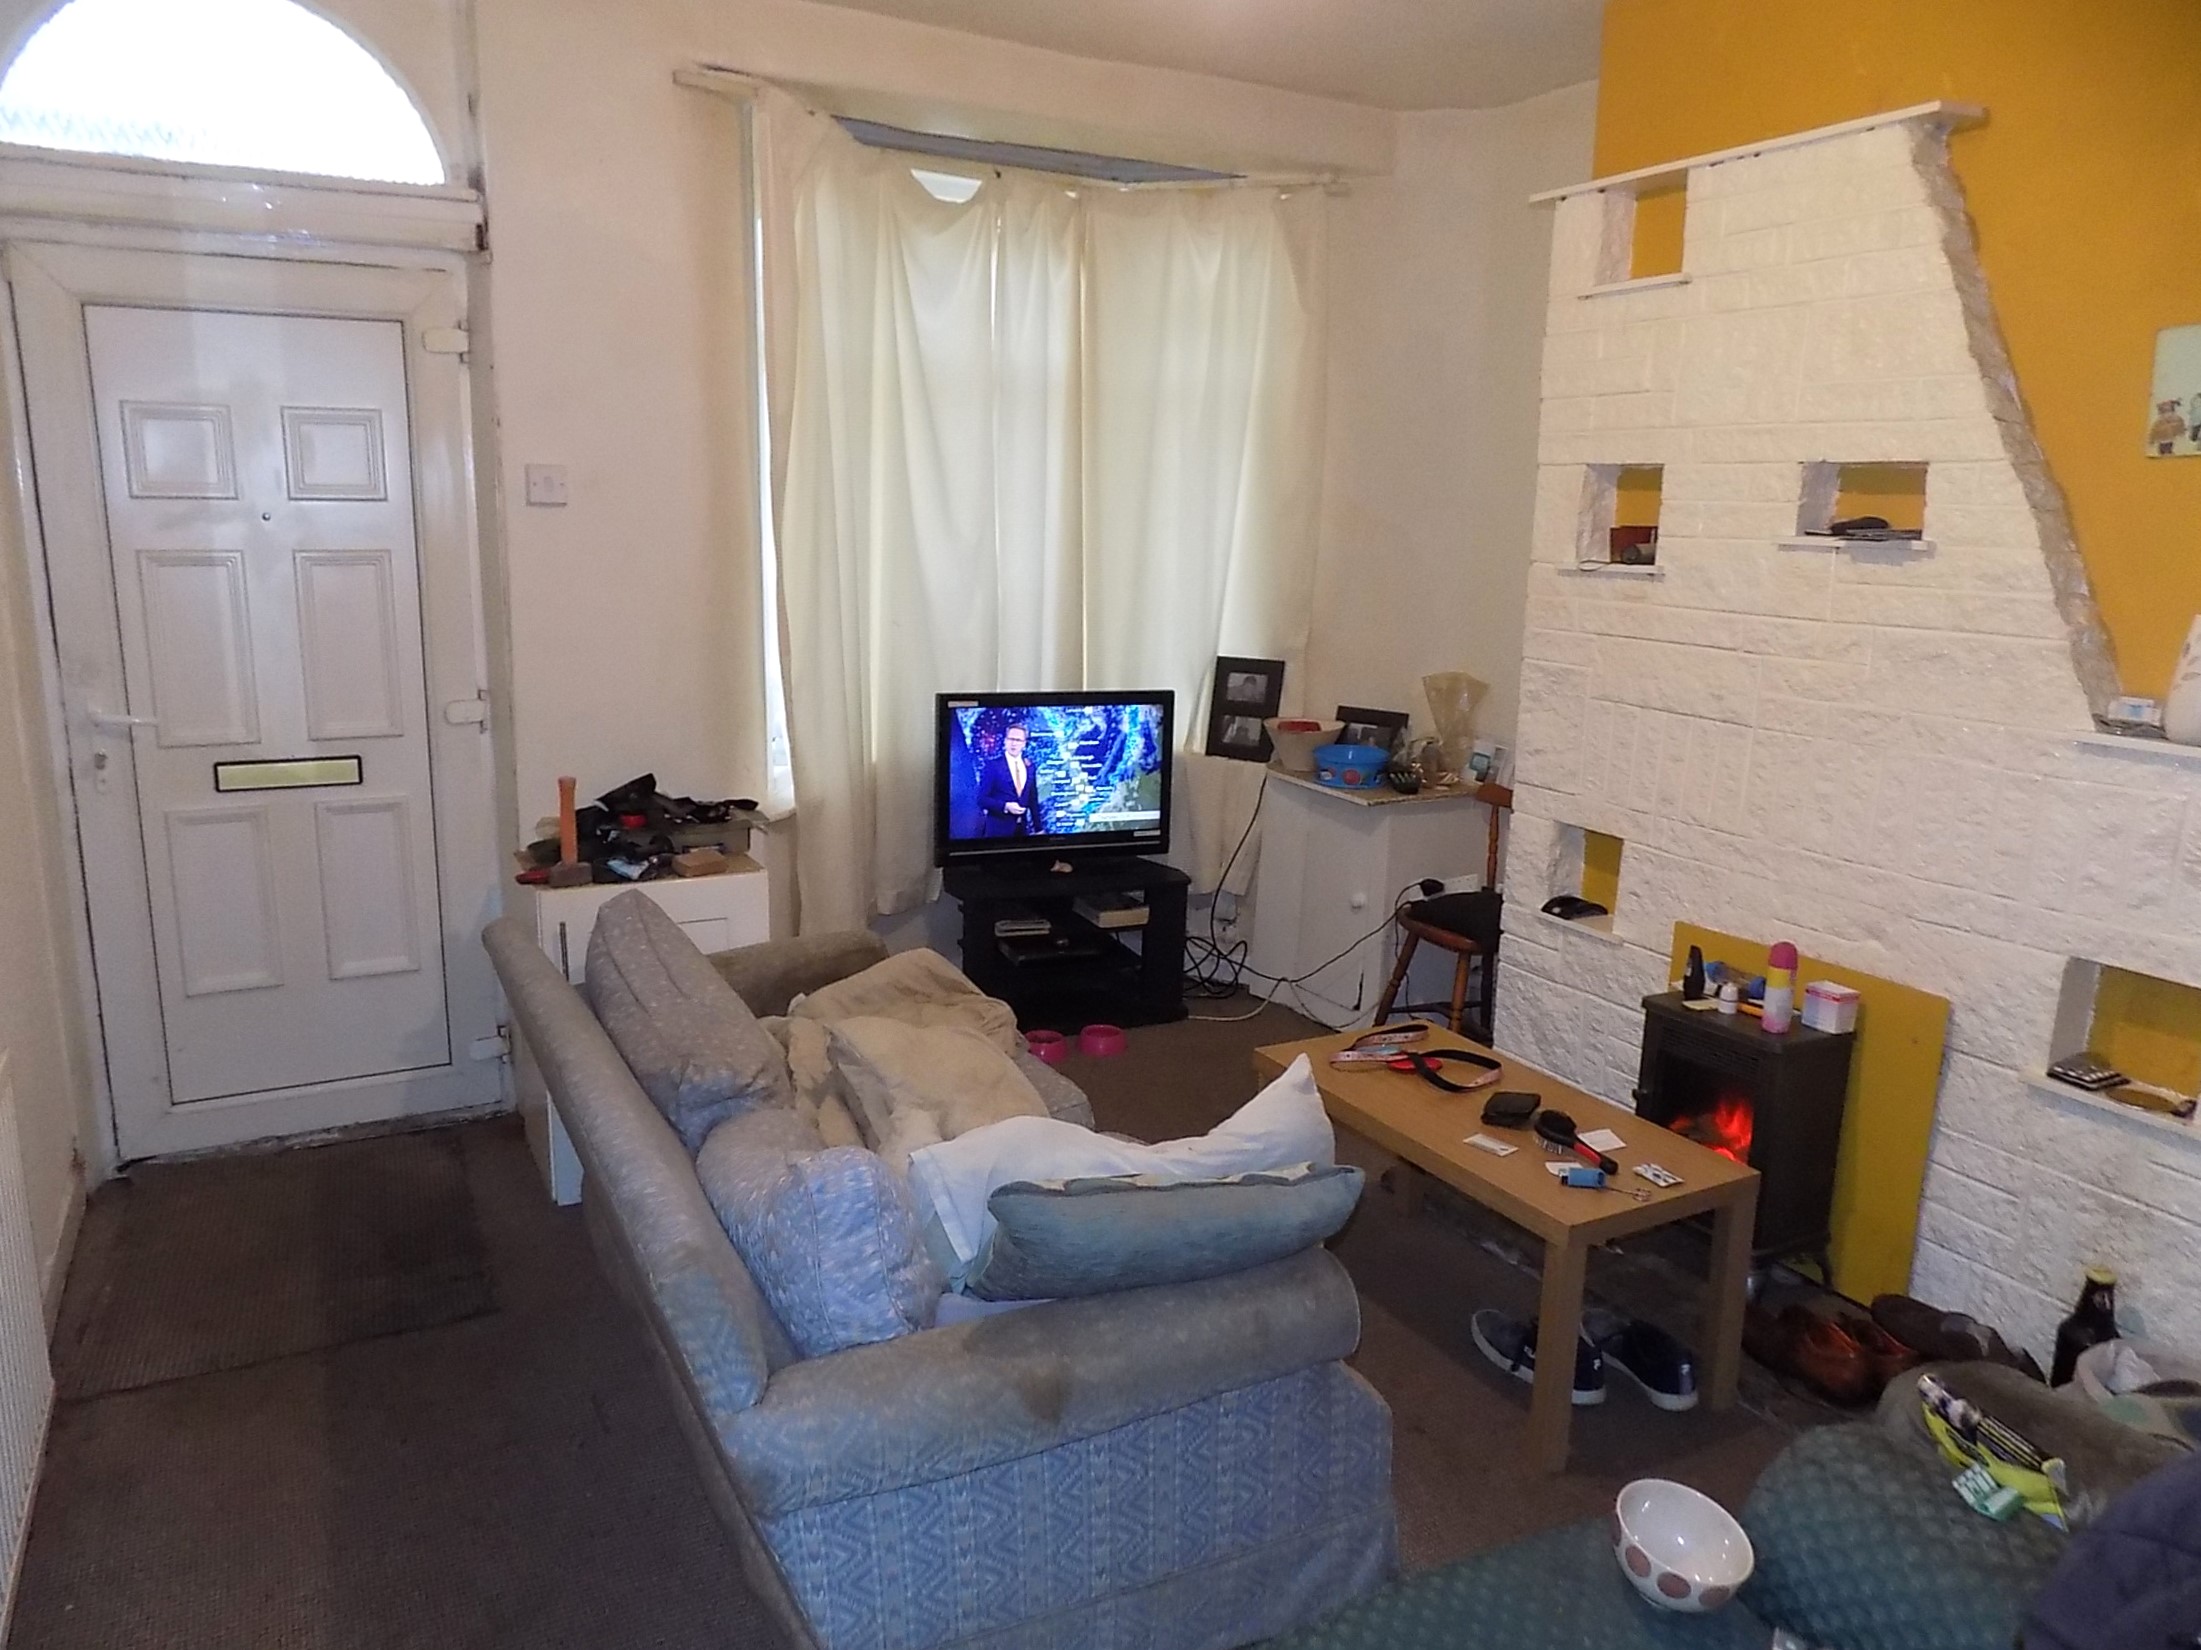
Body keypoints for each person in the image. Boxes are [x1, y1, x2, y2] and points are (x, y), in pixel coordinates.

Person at [976, 722, 1041, 836]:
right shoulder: (993, 766)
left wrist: (1039, 828)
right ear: (1005, 741)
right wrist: (1005, 806)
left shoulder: (1030, 767)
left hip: (1022, 831)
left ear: (1024, 744)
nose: (1014, 743)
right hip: (997, 833)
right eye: (1011, 739)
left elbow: (1032, 799)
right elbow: (981, 799)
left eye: (1018, 740)